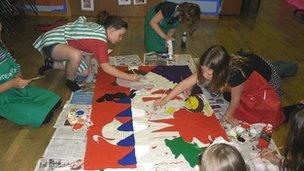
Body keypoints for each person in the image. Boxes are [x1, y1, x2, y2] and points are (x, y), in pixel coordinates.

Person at [153, 45, 284, 127]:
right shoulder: (212, 69)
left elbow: (236, 99)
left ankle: (297, 105)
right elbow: (184, 84)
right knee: (228, 96)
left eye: (208, 73)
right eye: (202, 70)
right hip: (247, 71)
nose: (203, 75)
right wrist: (164, 100)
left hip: (266, 77)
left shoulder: (235, 75)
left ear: (221, 72)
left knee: (268, 113)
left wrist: (228, 116)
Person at [33, 11, 140, 91]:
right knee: (76, 55)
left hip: (64, 44)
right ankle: (70, 80)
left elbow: (88, 50)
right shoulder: (100, 41)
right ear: (111, 30)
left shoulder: (100, 30)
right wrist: (129, 77)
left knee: (85, 72)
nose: (121, 39)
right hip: (51, 42)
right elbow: (106, 67)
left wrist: (88, 67)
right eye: (120, 35)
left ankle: (51, 64)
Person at [0, 23, 61, 128]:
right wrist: (11, 84)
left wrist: (18, 76)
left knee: (56, 101)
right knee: (46, 117)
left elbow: (12, 62)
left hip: (15, 89)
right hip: (3, 97)